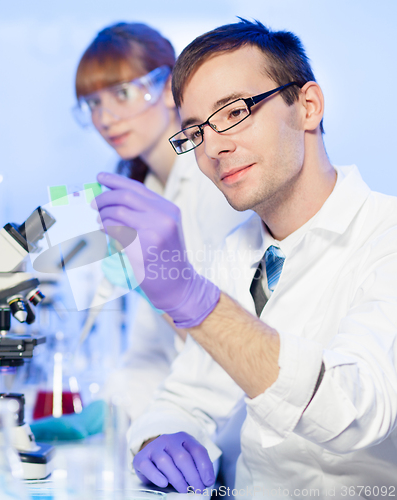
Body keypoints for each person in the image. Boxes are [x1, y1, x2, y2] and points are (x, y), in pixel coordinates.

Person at [93, 19, 397, 497]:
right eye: (195, 132)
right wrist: (160, 434)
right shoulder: (239, 252)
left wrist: (197, 301)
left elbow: (355, 408)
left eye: (233, 112)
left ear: (308, 107)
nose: (214, 146)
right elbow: (188, 395)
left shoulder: (387, 237)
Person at [74, 22, 247, 422]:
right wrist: (116, 418)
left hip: (239, 421)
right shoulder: (145, 193)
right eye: (93, 103)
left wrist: (165, 293)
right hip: (192, 414)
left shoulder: (216, 180)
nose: (106, 117)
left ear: (169, 89)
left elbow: (235, 335)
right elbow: (149, 351)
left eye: (121, 93)